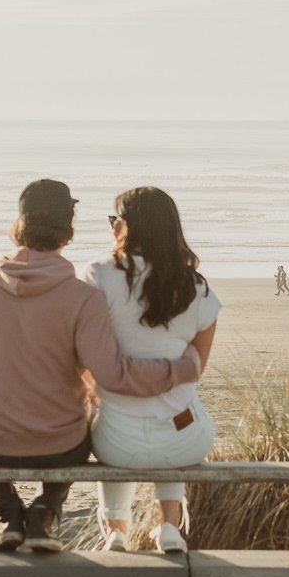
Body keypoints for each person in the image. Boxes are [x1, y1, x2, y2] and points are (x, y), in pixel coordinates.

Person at [0, 179, 200, 554]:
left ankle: (6, 513)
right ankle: (45, 510)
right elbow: (112, 374)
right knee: (85, 411)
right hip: (61, 447)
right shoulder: (82, 297)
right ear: (68, 231)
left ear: (19, 224)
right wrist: (181, 369)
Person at [84, 187, 219, 553]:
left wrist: (102, 383)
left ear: (128, 227)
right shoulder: (195, 288)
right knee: (175, 416)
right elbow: (196, 367)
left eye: (115, 221)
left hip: (116, 443)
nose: (111, 228)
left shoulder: (98, 276)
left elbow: (84, 352)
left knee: (112, 420)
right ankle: (170, 526)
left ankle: (116, 531)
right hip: (186, 439)